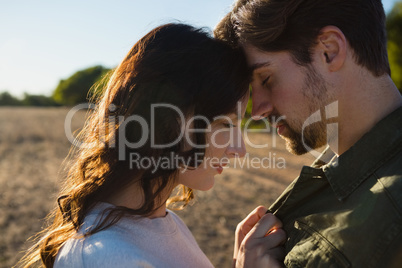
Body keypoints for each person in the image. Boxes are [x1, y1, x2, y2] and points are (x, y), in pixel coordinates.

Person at [19, 23, 286, 268]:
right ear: (165, 121)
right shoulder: (104, 257)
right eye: (226, 125)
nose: (239, 149)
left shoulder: (164, 223)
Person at [215, 0, 402, 267]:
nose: (257, 110)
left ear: (330, 50)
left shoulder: (390, 212)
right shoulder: (341, 172)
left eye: (266, 80)